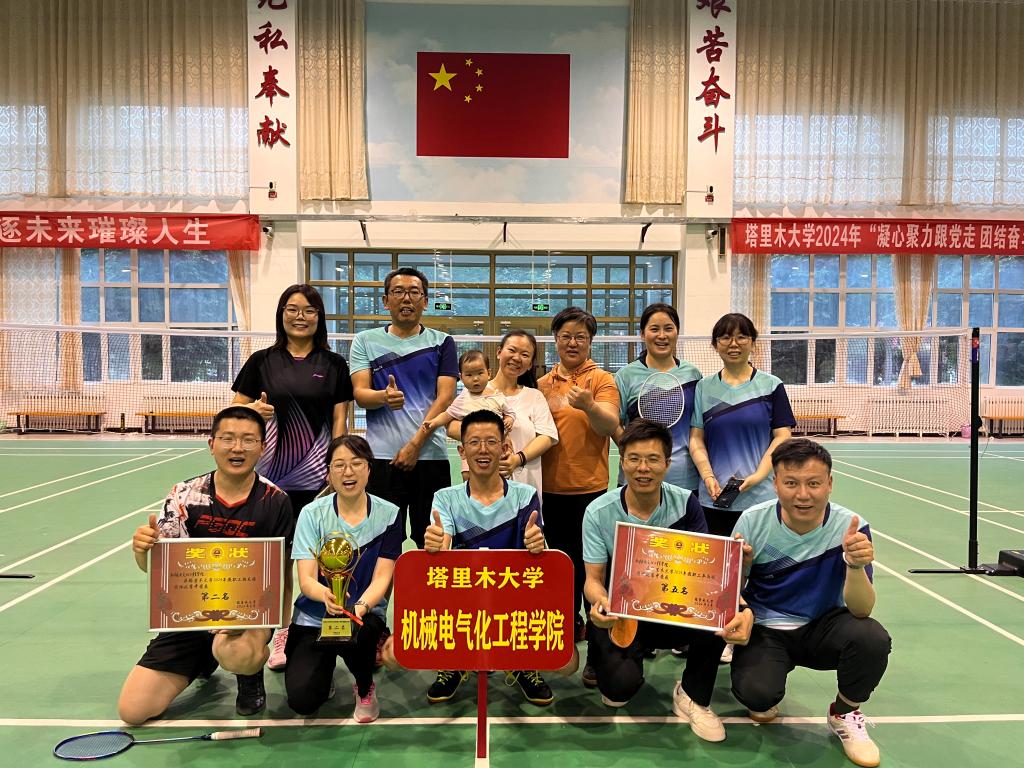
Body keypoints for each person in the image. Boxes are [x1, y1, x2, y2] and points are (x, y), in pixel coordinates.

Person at [118, 407, 293, 725]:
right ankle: (202, 658)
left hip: (245, 618)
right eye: (228, 438)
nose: (237, 448)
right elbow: (158, 570)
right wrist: (142, 550)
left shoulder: (275, 501)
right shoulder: (184, 495)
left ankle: (248, 676)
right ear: (212, 444)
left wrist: (269, 624)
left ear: (262, 447)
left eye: (248, 440)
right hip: (189, 616)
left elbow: (280, 574)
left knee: (238, 654)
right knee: (133, 711)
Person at [728, 438, 890, 768]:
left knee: (871, 637)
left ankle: (844, 713)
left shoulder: (851, 527)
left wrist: (855, 565)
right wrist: (742, 568)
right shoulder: (752, 521)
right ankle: (766, 685)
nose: (803, 494)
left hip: (824, 627)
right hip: (767, 628)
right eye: (791, 483)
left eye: (813, 483)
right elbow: (730, 593)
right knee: (758, 699)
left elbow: (861, 610)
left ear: (829, 484)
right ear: (775, 484)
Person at [582, 419, 734, 743]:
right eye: (634, 459)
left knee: (720, 611)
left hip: (672, 608)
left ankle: (693, 694)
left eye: (653, 459)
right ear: (622, 462)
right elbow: (593, 580)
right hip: (623, 616)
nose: (643, 468)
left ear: (667, 463)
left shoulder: (686, 504)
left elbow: (705, 573)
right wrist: (601, 602)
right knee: (617, 692)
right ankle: (623, 658)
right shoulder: (598, 512)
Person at [232, 283, 353, 670]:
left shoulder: (334, 365)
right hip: (270, 483)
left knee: (325, 563)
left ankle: (325, 629)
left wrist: (337, 471)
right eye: (292, 309)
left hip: (319, 484)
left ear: (320, 317)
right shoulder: (261, 362)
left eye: (309, 310)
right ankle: (280, 631)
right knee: (277, 562)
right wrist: (254, 411)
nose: (300, 317)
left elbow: (340, 421)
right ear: (281, 313)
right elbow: (234, 414)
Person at [422, 409, 554, 706]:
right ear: (462, 451)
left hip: (511, 592)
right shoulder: (446, 498)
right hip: (465, 593)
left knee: (567, 659)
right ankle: (455, 661)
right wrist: (437, 542)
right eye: (474, 442)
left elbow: (534, 544)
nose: (483, 449)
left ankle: (521, 663)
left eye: (491, 442)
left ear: (505, 448)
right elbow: (444, 540)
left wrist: (536, 543)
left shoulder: (524, 495)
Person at [284, 435, 403, 723]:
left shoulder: (389, 514)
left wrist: (359, 607)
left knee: (359, 638)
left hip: (363, 614)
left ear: (369, 469)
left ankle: (364, 687)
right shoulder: (311, 514)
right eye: (339, 465)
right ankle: (323, 674)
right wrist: (324, 595)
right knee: (303, 700)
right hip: (314, 615)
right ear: (328, 472)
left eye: (356, 463)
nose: (348, 472)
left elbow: (382, 578)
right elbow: (306, 578)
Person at [538, 306, 620, 681]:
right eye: (566, 336)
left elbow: (610, 425)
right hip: (550, 493)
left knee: (593, 572)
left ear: (590, 342)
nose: (573, 342)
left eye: (581, 337)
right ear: (556, 339)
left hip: (591, 494)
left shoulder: (601, 380)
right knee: (561, 572)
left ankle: (598, 656)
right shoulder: (542, 384)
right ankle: (566, 639)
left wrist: (588, 406)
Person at [349, 266, 458, 548]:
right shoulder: (365, 341)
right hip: (382, 459)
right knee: (382, 545)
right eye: (398, 292)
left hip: (430, 458)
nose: (406, 298)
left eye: (414, 292)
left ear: (425, 301)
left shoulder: (442, 343)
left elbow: (445, 398)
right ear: (386, 301)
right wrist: (383, 397)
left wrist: (415, 445)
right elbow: (360, 393)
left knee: (433, 545)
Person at [689, 312, 795, 537]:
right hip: (714, 496)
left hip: (760, 497)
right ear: (715, 345)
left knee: (756, 557)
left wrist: (757, 476)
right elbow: (696, 438)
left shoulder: (771, 386)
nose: (733, 343)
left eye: (741, 337)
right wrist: (708, 476)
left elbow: (783, 436)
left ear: (753, 343)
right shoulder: (704, 387)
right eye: (725, 337)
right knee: (717, 558)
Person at [447, 328, 558, 500]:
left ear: (530, 364)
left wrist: (517, 459)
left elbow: (547, 436)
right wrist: (491, 434)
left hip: (524, 485)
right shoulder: (474, 391)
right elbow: (452, 427)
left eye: (525, 354)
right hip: (484, 487)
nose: (516, 358)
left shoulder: (534, 396)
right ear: (499, 352)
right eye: (512, 350)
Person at [615, 303, 702, 491]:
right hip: (637, 477)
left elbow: (698, 429)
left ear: (677, 332)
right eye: (654, 329)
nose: (662, 336)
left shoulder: (692, 374)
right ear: (642, 334)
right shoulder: (626, 375)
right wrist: (634, 452)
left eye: (668, 329)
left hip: (684, 479)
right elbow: (615, 424)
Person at [426, 349, 516, 479]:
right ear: (461, 377)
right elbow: (447, 415)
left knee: (499, 476)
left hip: (495, 448)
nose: (475, 379)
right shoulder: (461, 400)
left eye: (480, 373)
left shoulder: (497, 396)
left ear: (489, 373)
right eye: (469, 375)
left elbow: (510, 412)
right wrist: (433, 422)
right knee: (467, 475)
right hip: (471, 449)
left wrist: (509, 419)